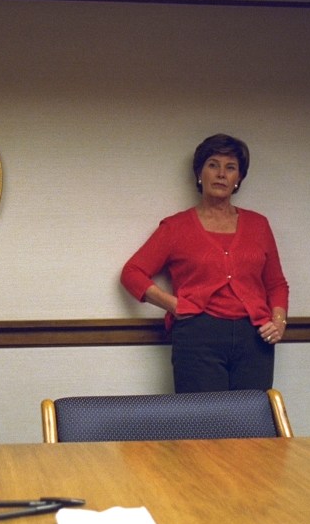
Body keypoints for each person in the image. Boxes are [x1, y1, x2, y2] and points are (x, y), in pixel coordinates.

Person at [121, 133, 289, 392]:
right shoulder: (176, 227)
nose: (221, 173)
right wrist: (174, 304)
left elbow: (276, 283)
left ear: (239, 179)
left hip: (254, 339)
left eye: (230, 167)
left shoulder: (259, 225)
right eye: (213, 165)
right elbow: (132, 273)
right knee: (204, 423)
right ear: (200, 174)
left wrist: (279, 322)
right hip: (197, 337)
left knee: (252, 424)